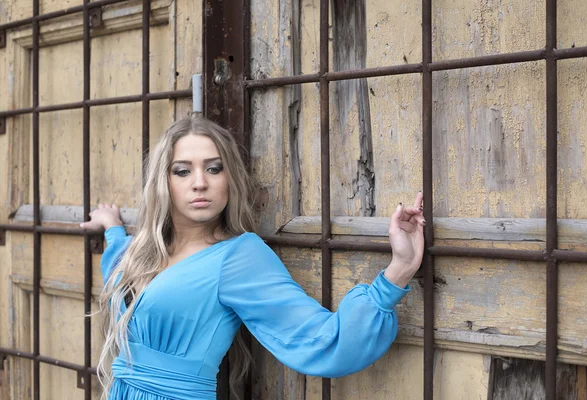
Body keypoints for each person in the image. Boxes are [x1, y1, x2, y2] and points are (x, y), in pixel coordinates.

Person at [81, 116, 426, 400]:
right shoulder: (142, 252)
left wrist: (399, 270)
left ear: (230, 179)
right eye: (182, 171)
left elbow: (321, 339)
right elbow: (119, 267)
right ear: (163, 181)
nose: (199, 183)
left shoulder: (238, 256)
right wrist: (112, 228)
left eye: (214, 169)